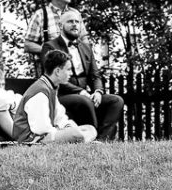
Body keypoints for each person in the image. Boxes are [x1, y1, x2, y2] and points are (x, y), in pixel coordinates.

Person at [50, 9, 124, 140]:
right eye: (70, 21)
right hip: (61, 95)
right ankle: (91, 137)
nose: (74, 24)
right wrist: (80, 92)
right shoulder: (51, 46)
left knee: (116, 101)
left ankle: (103, 139)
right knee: (84, 100)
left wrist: (98, 92)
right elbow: (55, 77)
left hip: (86, 94)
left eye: (77, 22)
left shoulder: (86, 47)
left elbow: (95, 75)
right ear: (60, 26)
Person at [17, 49, 97, 143]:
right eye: (68, 69)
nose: (71, 73)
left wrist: (68, 128)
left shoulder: (51, 87)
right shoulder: (40, 92)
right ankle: (84, 140)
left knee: (90, 129)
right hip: (33, 139)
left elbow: (60, 116)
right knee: (77, 134)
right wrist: (65, 132)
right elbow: (41, 129)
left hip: (49, 133)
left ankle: (83, 140)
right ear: (57, 71)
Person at [21, 0, 73, 75]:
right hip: (52, 72)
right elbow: (28, 45)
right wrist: (51, 52)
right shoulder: (40, 15)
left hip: (74, 70)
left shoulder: (74, 15)